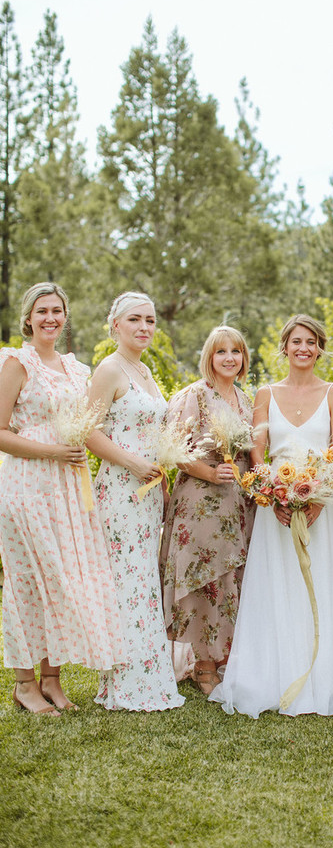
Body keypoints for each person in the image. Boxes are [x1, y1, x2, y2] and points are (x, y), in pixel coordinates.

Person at [210, 314, 333, 717]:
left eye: (311, 342)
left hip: (322, 508)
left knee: (320, 585)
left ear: (320, 349)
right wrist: (275, 493)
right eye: (296, 341)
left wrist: (318, 497)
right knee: (276, 587)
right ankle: (271, 675)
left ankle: (325, 677)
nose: (303, 348)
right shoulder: (265, 392)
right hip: (275, 510)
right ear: (284, 347)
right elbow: (258, 452)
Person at [0, 282, 125, 715]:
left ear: (65, 316)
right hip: (26, 484)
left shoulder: (76, 370)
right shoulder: (18, 363)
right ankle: (24, 683)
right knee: (27, 580)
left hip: (69, 487)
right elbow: (0, 433)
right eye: (42, 311)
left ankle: (52, 680)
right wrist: (54, 451)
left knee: (61, 579)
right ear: (29, 318)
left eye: (57, 311)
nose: (50, 318)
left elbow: (90, 425)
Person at [87, 292, 184, 712]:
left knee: (143, 577)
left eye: (150, 320)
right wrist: (133, 464)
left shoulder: (144, 370)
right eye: (135, 320)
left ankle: (147, 676)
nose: (144, 327)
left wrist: (160, 477)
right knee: (127, 580)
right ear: (115, 325)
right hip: (120, 490)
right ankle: (126, 682)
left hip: (148, 494)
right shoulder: (108, 370)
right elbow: (87, 433)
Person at [159, 326, 255, 692]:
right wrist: (212, 473)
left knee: (231, 579)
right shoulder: (195, 396)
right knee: (206, 578)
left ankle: (226, 657)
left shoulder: (246, 401)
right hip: (201, 503)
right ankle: (203, 665)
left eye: (236, 351)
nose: (230, 358)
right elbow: (176, 452)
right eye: (221, 352)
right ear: (209, 357)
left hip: (239, 503)